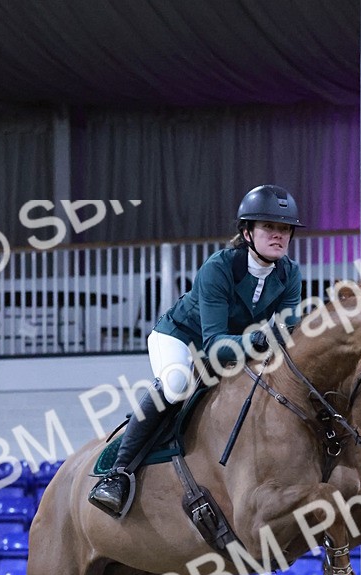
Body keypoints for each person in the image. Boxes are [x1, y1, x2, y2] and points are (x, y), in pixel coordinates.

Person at [89, 183, 304, 517]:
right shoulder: (219, 267)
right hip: (182, 338)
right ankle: (118, 475)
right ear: (247, 232)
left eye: (284, 229)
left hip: (237, 345)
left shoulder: (290, 274)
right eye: (268, 227)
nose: (278, 235)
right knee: (175, 385)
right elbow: (215, 345)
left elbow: (288, 333)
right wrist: (260, 340)